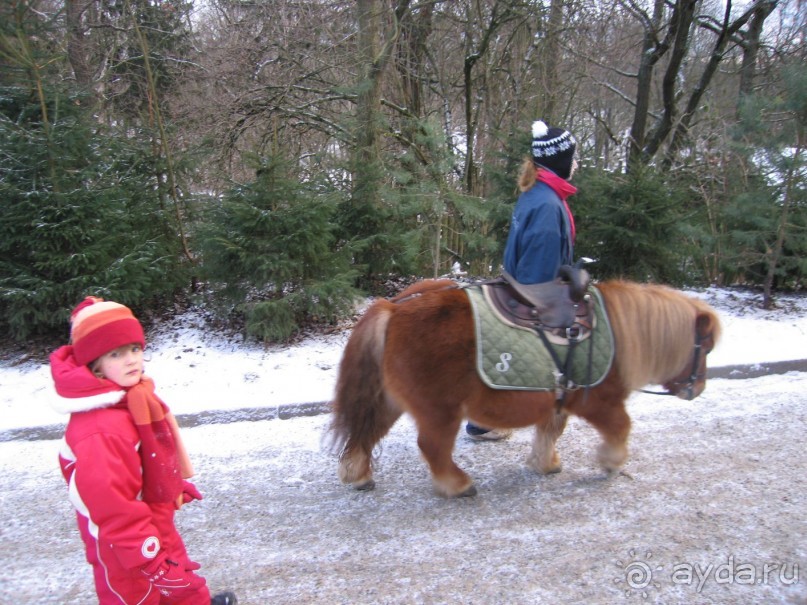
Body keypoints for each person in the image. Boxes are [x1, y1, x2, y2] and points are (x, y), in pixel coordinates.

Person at [49, 296, 237, 605]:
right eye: (116, 353)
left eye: (135, 349)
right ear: (95, 364)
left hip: (150, 516)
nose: (132, 360)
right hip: (123, 544)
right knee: (139, 593)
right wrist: (146, 556)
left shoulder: (130, 398)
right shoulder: (100, 429)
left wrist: (168, 484)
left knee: (177, 580)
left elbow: (145, 461)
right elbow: (111, 506)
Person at [466, 119, 579, 441]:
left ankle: (486, 418)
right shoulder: (547, 204)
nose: (577, 163)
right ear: (560, 161)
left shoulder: (537, 192)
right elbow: (538, 273)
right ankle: (490, 420)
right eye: (573, 157)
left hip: (518, 283)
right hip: (531, 292)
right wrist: (555, 300)